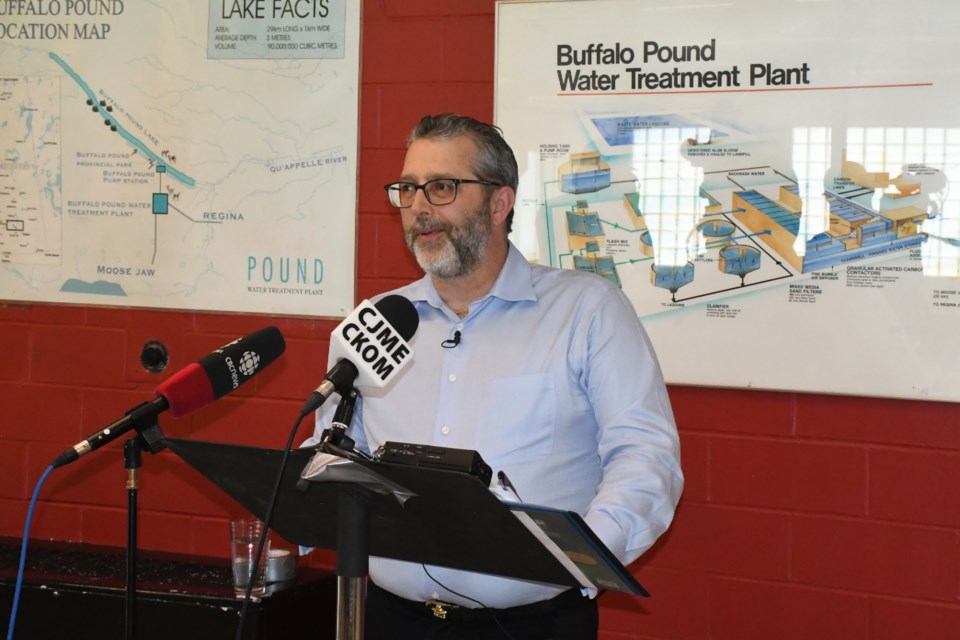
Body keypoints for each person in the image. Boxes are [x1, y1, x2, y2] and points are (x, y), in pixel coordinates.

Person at [305, 113, 683, 639]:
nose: (418, 207)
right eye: (408, 189)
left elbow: (645, 457)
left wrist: (581, 557)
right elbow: (340, 449)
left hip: (531, 626)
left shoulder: (587, 312)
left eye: (441, 187)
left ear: (499, 203)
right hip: (394, 620)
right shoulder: (378, 321)